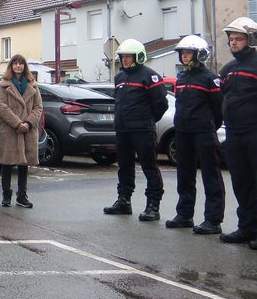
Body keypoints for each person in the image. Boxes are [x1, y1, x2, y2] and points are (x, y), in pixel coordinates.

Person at [164, 35, 225, 234]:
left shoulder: (210, 78)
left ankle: (213, 220)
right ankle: (184, 215)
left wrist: (210, 126)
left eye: (188, 53)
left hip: (204, 132)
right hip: (183, 132)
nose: (184, 56)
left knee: (211, 175)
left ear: (199, 54)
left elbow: (218, 108)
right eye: (182, 53)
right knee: (185, 175)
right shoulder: (181, 78)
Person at [103, 38, 168, 221]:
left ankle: (153, 205)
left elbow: (161, 104)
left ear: (138, 57)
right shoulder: (120, 77)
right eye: (122, 57)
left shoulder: (150, 76)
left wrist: (147, 120)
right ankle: (124, 201)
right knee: (124, 166)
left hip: (142, 130)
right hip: (123, 130)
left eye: (128, 57)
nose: (124, 60)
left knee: (149, 166)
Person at [217, 17, 257, 248]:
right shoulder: (228, 68)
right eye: (231, 39)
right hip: (234, 132)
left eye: (238, 39)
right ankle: (246, 227)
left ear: (249, 39)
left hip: (254, 130)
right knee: (241, 182)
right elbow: (222, 97)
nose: (233, 43)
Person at [0, 54, 43, 209]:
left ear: (24, 66)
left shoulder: (33, 85)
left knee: (24, 163)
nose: (18, 66)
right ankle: (6, 196)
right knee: (7, 163)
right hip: (10, 129)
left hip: (28, 129)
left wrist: (28, 122)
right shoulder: (4, 85)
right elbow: (2, 107)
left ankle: (22, 196)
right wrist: (17, 123)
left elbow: (38, 107)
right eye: (15, 63)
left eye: (21, 63)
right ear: (11, 66)